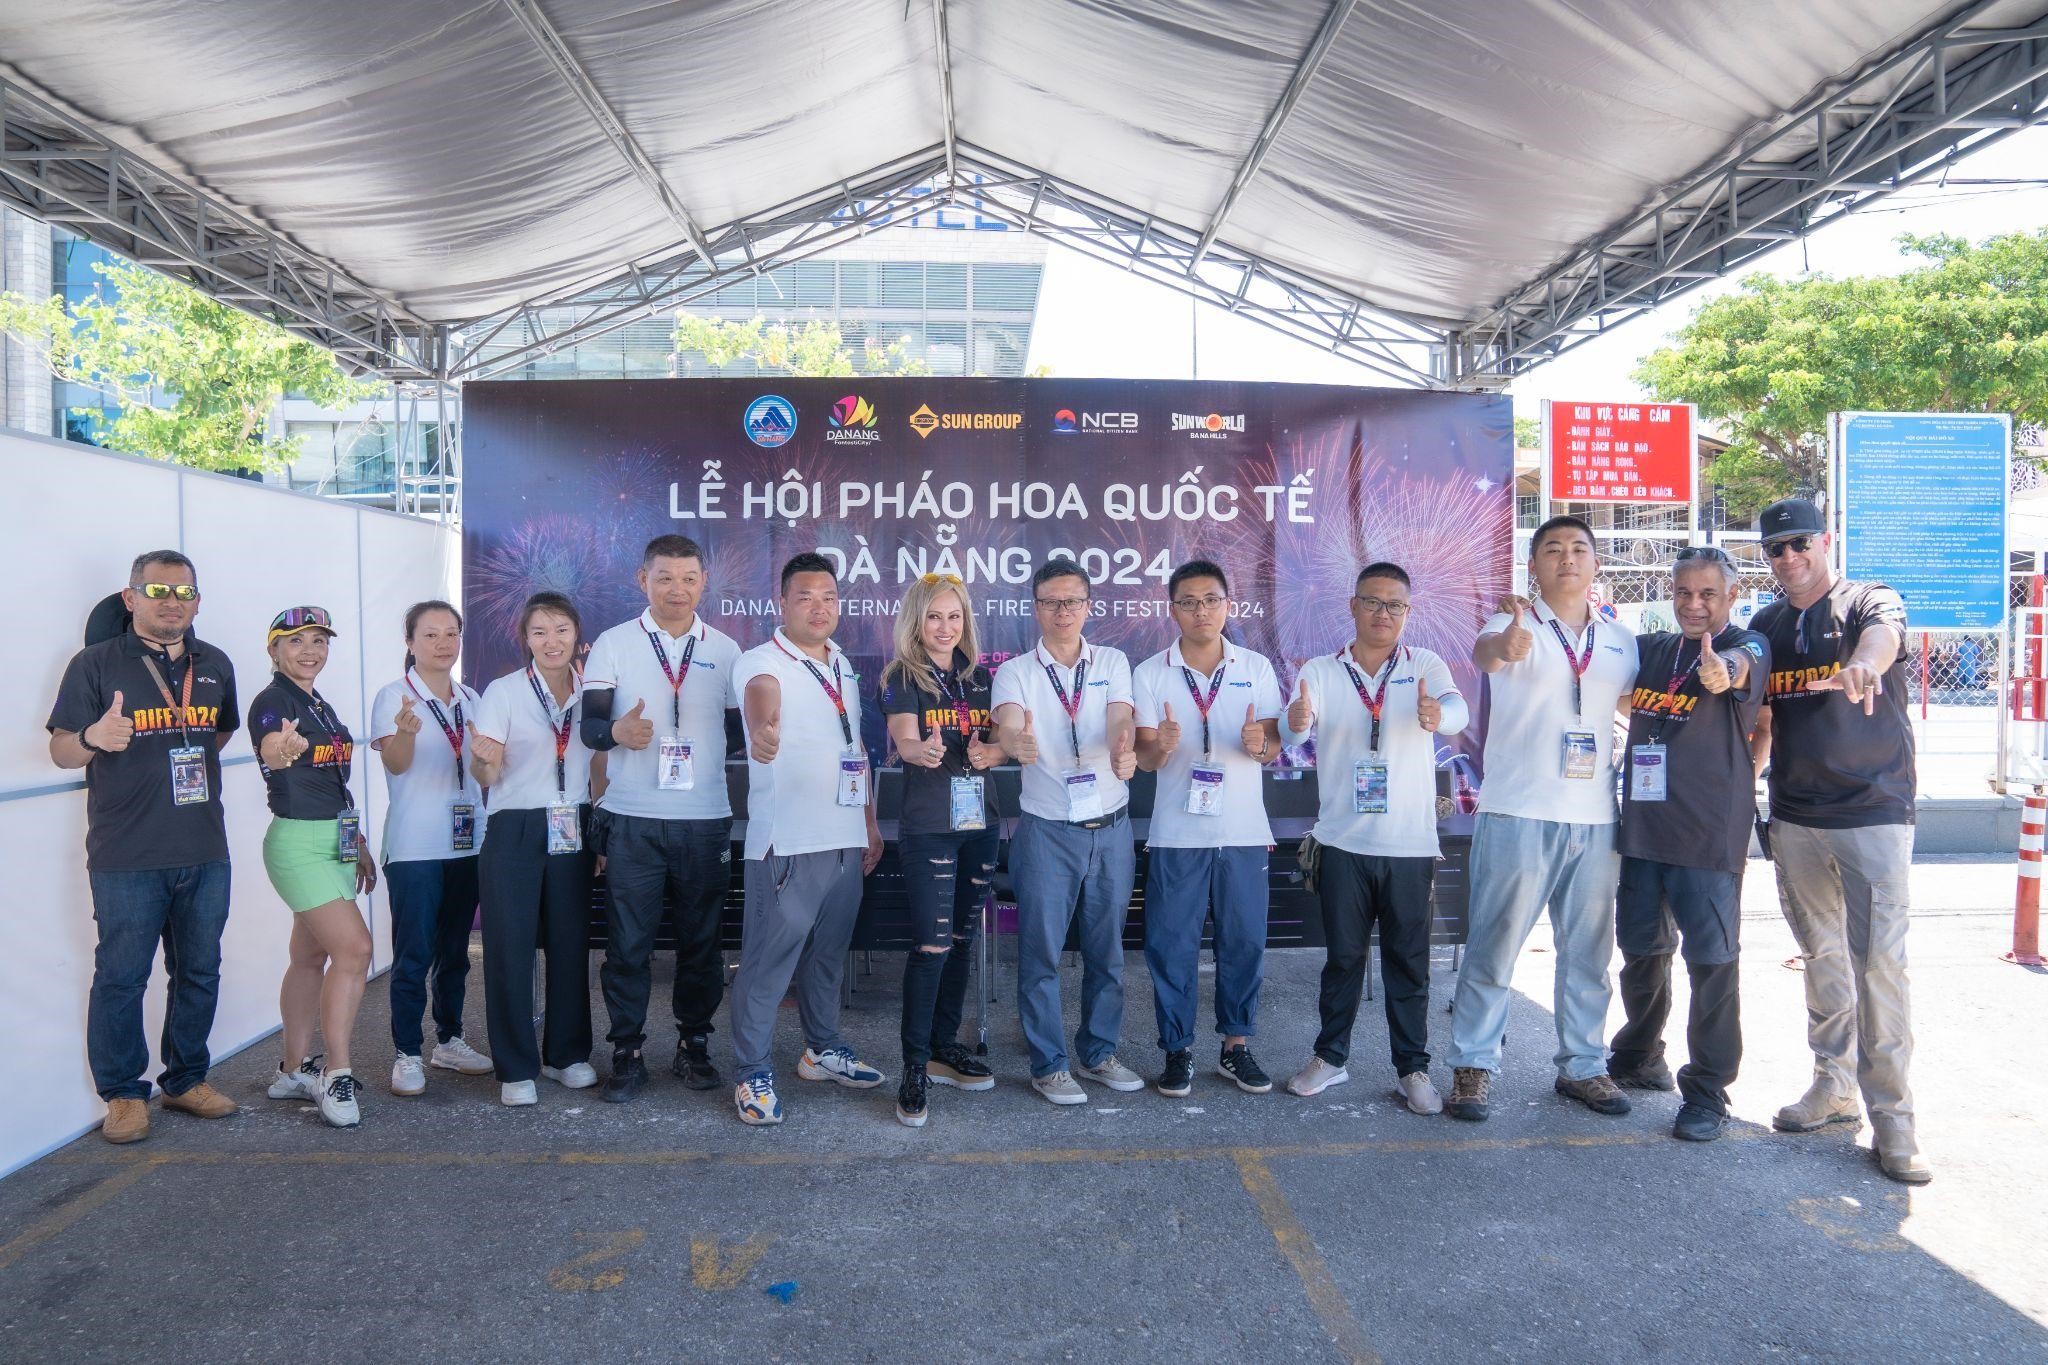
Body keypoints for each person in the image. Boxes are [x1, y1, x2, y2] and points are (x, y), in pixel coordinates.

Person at [1749, 498, 1929, 1183]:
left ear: (1823, 540)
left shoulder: (1865, 600)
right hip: (1796, 816)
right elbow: (1764, 719)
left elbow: (1884, 637)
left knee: (1879, 964)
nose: (1789, 557)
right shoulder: (1767, 625)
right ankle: (1833, 1085)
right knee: (1822, 956)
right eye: (1776, 548)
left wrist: (1865, 665)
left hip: (1872, 811)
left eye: (1800, 542)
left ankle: (1895, 1121)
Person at [1445, 515, 1639, 1121]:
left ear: (1596, 563)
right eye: (1552, 549)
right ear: (1533, 565)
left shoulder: (1620, 640)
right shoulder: (1511, 622)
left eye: (1579, 548)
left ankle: (1583, 1066)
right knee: (1494, 945)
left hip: (1596, 818)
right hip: (1519, 812)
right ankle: (1473, 1066)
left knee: (1588, 953)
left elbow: (1634, 702)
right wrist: (1505, 646)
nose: (1567, 558)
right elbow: (1487, 656)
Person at [47, 551, 241, 1144]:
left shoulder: (215, 663)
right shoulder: (95, 662)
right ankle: (124, 1095)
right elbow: (61, 751)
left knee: (199, 971)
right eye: (157, 591)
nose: (171, 602)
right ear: (130, 598)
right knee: (122, 977)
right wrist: (93, 736)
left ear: (197, 601)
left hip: (204, 849)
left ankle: (185, 1080)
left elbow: (216, 733)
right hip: (126, 856)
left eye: (183, 591)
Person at [1280, 562, 1469, 1114]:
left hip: (1408, 846)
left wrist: (1439, 712)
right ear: (1353, 606)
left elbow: (1456, 711)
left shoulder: (1424, 664)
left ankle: (1412, 1068)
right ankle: (1329, 1058)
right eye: (1373, 602)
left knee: (1408, 962)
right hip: (1342, 843)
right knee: (1343, 959)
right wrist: (1297, 719)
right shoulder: (1321, 669)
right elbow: (1292, 730)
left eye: (1395, 605)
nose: (1383, 613)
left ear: (1407, 612)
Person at [1608, 548, 1769, 1142]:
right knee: (1641, 950)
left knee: (1712, 962)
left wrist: (1722, 671)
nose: (1694, 604)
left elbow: (1739, 667)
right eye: (1683, 593)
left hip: (1707, 836)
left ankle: (1707, 1092)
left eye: (1708, 594)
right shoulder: (1653, 649)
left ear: (1731, 596)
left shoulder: (1749, 644)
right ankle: (1639, 1053)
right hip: (1645, 829)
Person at [579, 536, 743, 1103]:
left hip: (705, 819)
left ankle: (694, 1045)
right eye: (665, 577)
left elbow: (738, 733)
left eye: (689, 578)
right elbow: (590, 729)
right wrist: (616, 733)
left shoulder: (726, 649)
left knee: (702, 945)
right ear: (642, 580)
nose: (678, 589)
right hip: (633, 820)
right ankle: (626, 1054)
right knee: (628, 946)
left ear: (704, 582)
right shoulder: (613, 643)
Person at [728, 554, 887, 1126]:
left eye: (828, 598)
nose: (819, 608)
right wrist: (762, 734)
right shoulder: (761, 662)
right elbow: (761, 702)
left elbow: (854, 750)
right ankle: (751, 1072)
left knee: (827, 958)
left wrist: (868, 823)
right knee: (767, 966)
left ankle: (821, 1050)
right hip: (788, 846)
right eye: (805, 597)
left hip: (844, 840)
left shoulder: (841, 664)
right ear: (782, 603)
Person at [992, 558, 1144, 1105]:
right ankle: (1049, 1065)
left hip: (1111, 828)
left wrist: (1124, 743)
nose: (1063, 611)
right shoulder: (1016, 671)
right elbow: (1009, 722)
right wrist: (1015, 742)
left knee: (1107, 954)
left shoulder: (1112, 661)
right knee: (1041, 954)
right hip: (1047, 832)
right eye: (1052, 602)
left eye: (1073, 601)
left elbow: (1121, 716)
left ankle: (1098, 1053)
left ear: (1088, 606)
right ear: (1036, 609)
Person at [1132, 559, 1284, 1097]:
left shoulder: (1256, 667)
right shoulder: (1151, 673)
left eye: (1211, 600)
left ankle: (1235, 1047)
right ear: (1172, 610)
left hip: (1243, 833)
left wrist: (1258, 744)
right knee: (1171, 945)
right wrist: (1161, 746)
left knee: (1243, 942)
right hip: (1177, 835)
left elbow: (1271, 746)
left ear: (1228, 605)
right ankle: (1177, 1050)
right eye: (1190, 602)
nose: (1202, 611)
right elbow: (1144, 759)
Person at [881, 574, 1004, 1127]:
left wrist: (993, 751)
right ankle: (913, 1068)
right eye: (934, 616)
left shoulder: (981, 677)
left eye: (954, 616)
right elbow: (905, 737)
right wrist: (921, 751)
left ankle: (942, 1047)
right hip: (930, 827)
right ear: (916, 621)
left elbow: (1000, 741)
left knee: (960, 942)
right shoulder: (902, 676)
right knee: (931, 946)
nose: (945, 627)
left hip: (980, 825)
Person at [249, 606, 378, 1128]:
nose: (310, 651)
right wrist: (282, 750)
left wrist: (357, 842)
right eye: (296, 641)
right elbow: (272, 749)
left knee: (309, 957)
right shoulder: (273, 701)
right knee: (356, 949)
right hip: (298, 844)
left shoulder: (318, 703)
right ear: (274, 650)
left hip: (334, 838)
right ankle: (335, 1073)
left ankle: (291, 1070)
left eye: (320, 641)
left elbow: (332, 784)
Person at [469, 592, 598, 1107]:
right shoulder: (503, 692)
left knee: (570, 942)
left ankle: (566, 1055)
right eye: (540, 631)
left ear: (577, 635)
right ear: (525, 639)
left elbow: (599, 764)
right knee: (509, 947)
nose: (552, 641)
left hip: (574, 824)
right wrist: (483, 759)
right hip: (514, 827)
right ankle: (516, 1066)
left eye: (561, 629)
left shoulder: (593, 692)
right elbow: (486, 774)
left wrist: (601, 829)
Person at [369, 601, 494, 1097]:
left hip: (468, 840)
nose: (443, 643)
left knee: (455, 951)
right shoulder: (394, 696)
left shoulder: (472, 698)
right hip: (416, 845)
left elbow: (485, 774)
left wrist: (486, 759)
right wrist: (404, 732)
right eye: (430, 634)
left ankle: (449, 1039)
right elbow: (397, 765)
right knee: (414, 953)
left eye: (451, 633)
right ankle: (407, 1052)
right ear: (410, 642)